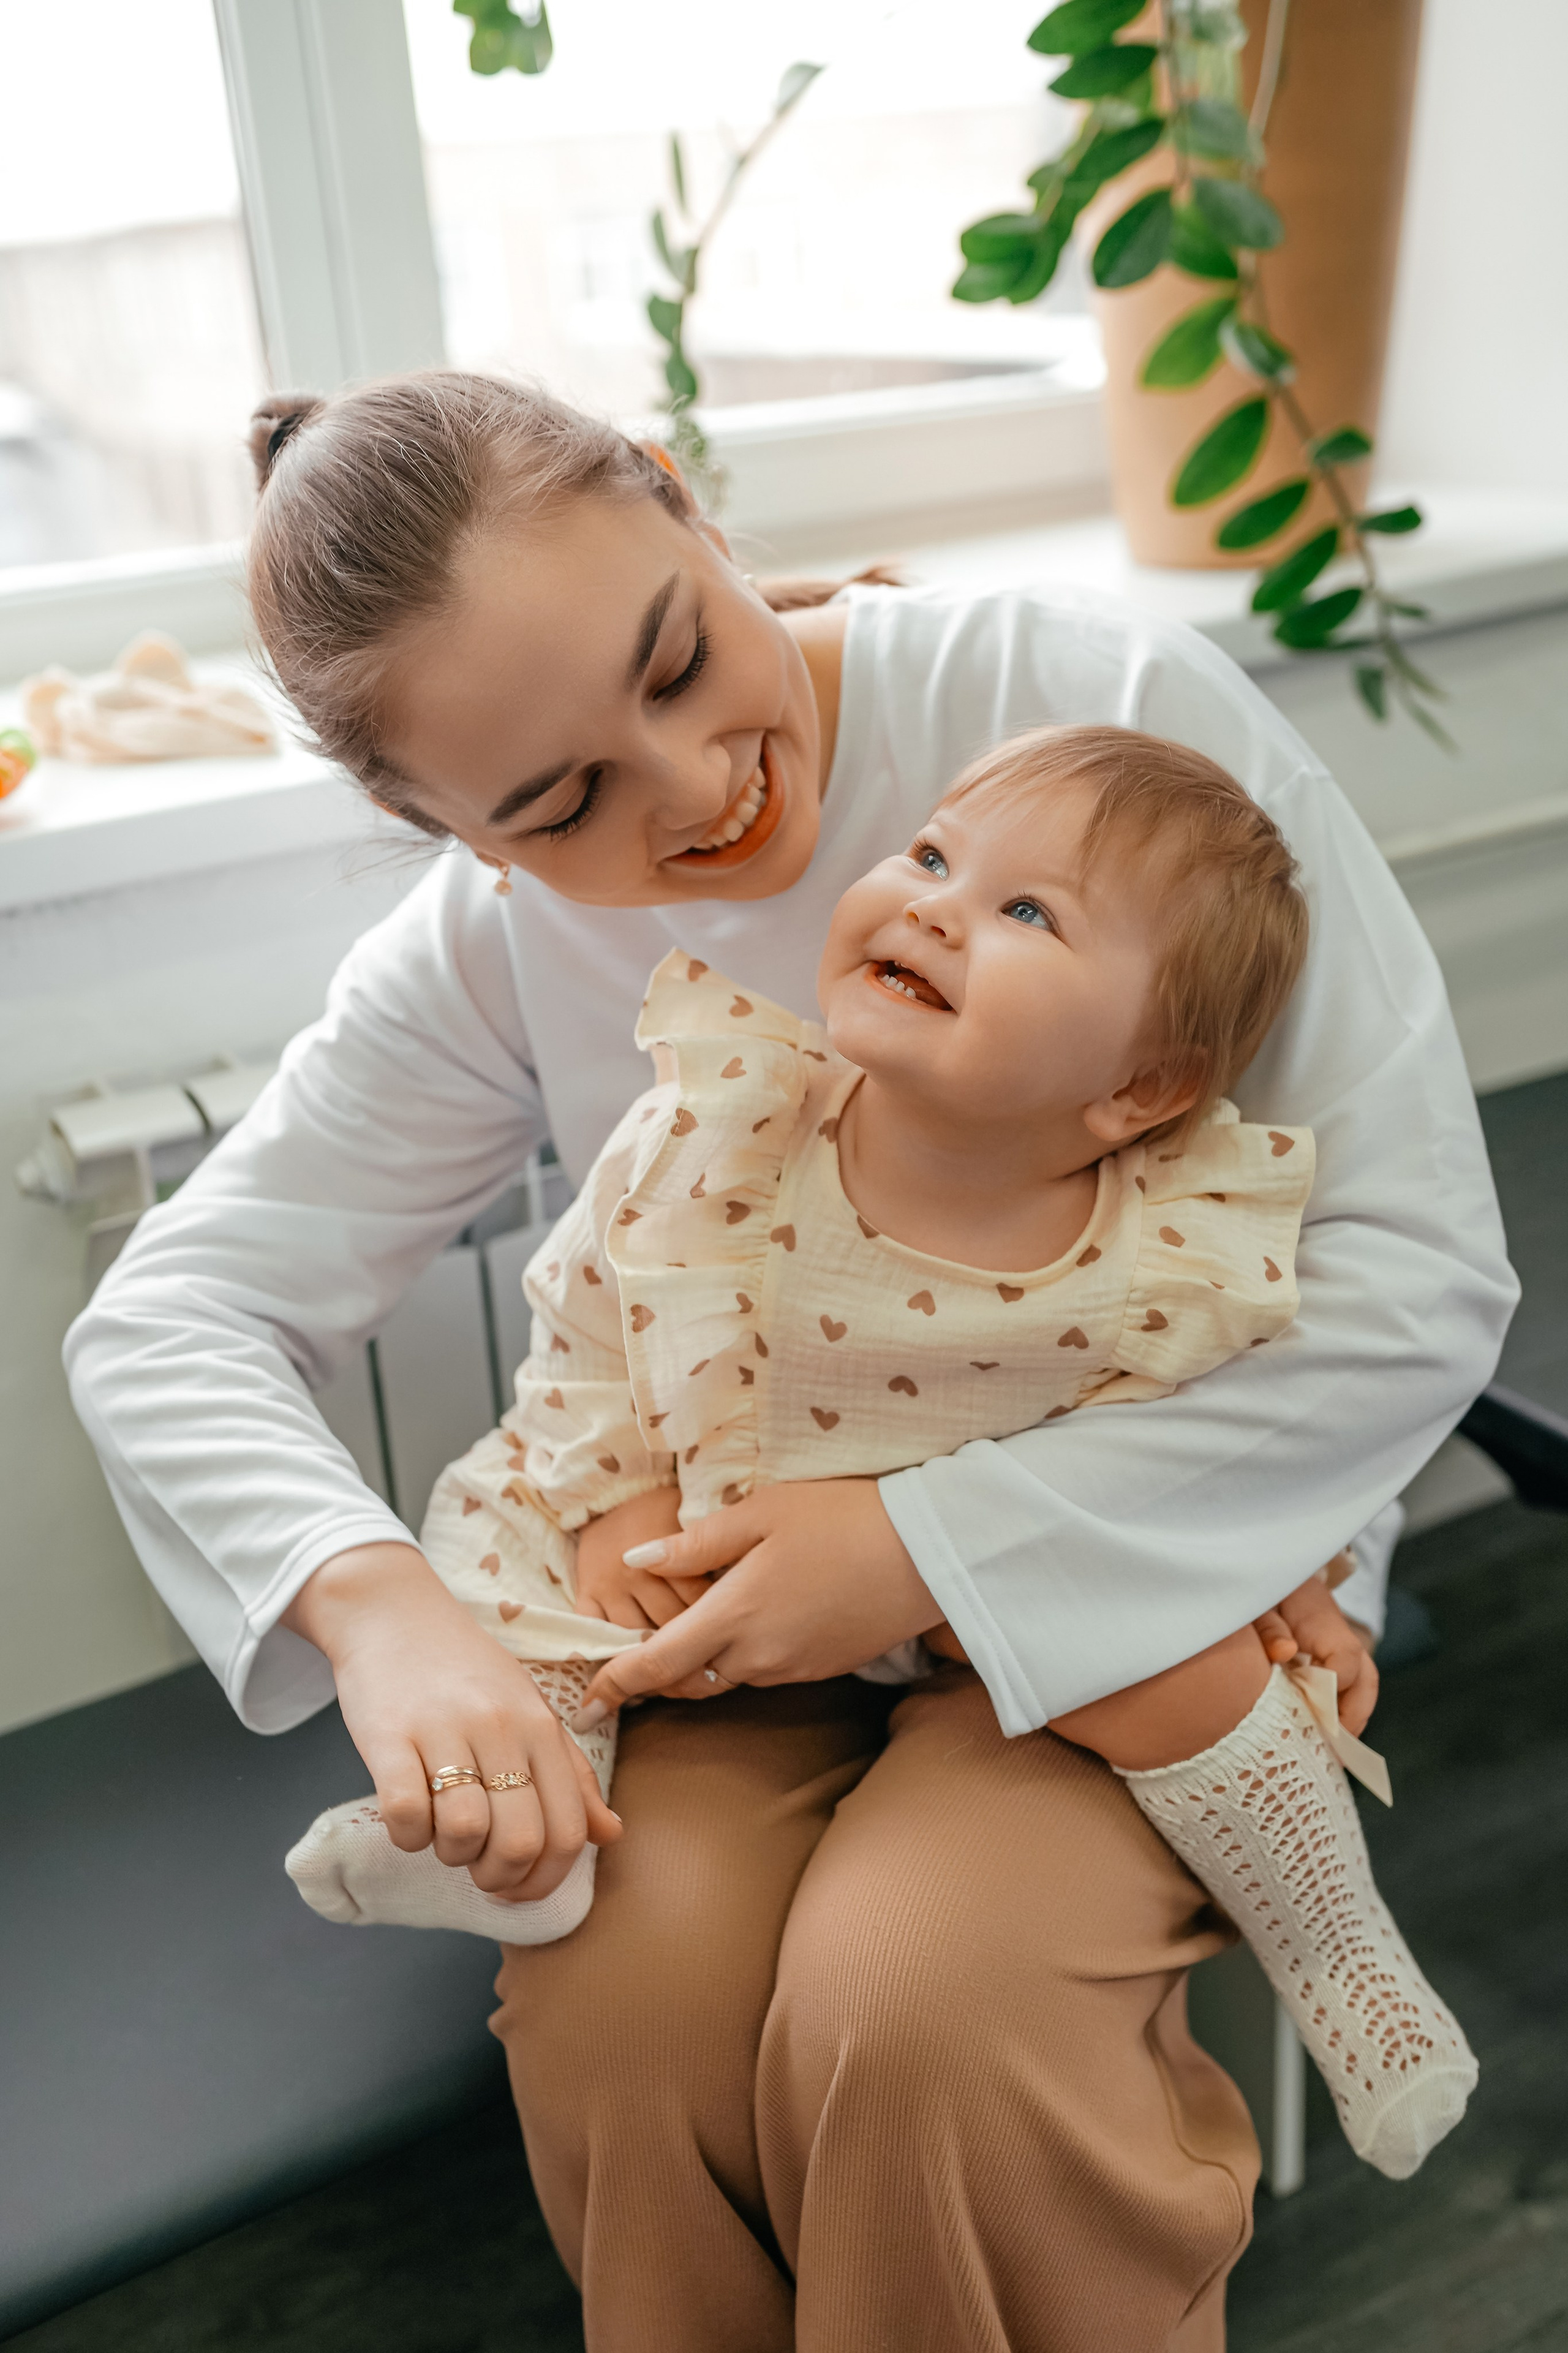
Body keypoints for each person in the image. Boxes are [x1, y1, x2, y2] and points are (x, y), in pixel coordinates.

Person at [66, 372, 1515, 2351]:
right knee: (628, 2016)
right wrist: (387, 1614)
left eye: (678, 658)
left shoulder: (1088, 712)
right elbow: (171, 1316)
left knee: (922, 2014)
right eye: (557, 804)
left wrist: (919, 1546)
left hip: (1130, 1564)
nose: (695, 795)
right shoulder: (491, 945)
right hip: (737, 1612)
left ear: (686, 500)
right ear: (444, 834)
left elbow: (1414, 1265)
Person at [290, 721, 1477, 2183]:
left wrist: (1293, 1574)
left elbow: (1217, 1445)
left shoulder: (1169, 1238)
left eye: (1027, 913)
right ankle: (509, 1846)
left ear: (1136, 1089)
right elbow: (592, 1332)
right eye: (929, 857)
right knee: (529, 1562)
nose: (931, 905)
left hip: (1011, 1609)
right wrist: (618, 1495)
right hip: (728, 1568)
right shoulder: (724, 1122)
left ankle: (1346, 1961)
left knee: (1206, 1677)